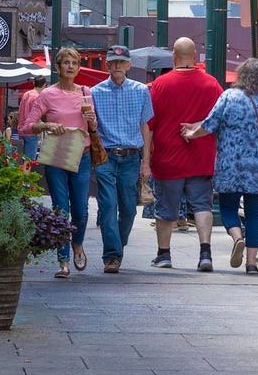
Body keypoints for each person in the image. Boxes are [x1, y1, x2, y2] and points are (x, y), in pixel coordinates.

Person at [181, 58, 258, 274]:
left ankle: (237, 237)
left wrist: (192, 134)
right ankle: (251, 264)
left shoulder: (229, 97)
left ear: (241, 76)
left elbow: (210, 125)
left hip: (229, 165)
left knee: (228, 209)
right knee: (253, 214)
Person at [23, 47, 99, 278]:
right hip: (56, 155)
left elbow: (94, 129)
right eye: (65, 63)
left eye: (74, 63)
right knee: (60, 209)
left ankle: (78, 244)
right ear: (57, 68)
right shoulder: (47, 95)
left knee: (81, 210)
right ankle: (63, 260)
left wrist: (92, 121)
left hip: (82, 154)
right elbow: (26, 126)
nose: (70, 67)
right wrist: (46, 125)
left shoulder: (86, 92)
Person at [148, 37, 222, 272]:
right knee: (202, 206)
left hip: (167, 158)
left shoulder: (160, 85)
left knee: (166, 209)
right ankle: (205, 254)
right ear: (195, 56)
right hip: (201, 158)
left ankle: (164, 255)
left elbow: (149, 125)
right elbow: (220, 119)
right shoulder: (212, 84)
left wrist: (145, 161)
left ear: (174, 56)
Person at [90, 45, 153, 273]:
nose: (116, 66)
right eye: (112, 63)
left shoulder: (141, 90)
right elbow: (91, 128)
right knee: (108, 205)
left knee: (128, 208)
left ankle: (118, 245)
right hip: (106, 156)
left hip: (131, 157)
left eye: (121, 62)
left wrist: (146, 162)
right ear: (107, 65)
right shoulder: (95, 92)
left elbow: (145, 126)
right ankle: (112, 256)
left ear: (129, 65)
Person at [17, 77, 47, 160]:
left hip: (21, 129)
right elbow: (38, 115)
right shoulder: (37, 97)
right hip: (31, 131)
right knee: (28, 162)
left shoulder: (26, 94)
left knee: (20, 161)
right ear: (44, 85)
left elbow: (20, 111)